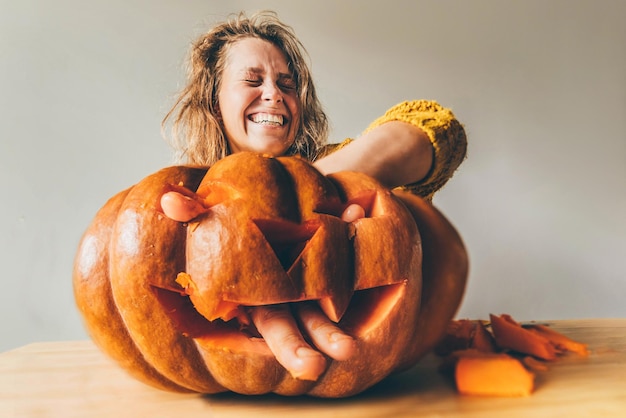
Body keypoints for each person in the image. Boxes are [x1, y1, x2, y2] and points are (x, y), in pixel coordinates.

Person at [160, 10, 467, 382]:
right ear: (213, 101)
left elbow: (438, 129)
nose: (274, 94)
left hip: (366, 383)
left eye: (287, 84)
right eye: (253, 80)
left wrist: (307, 195)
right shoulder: (188, 198)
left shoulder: (344, 169)